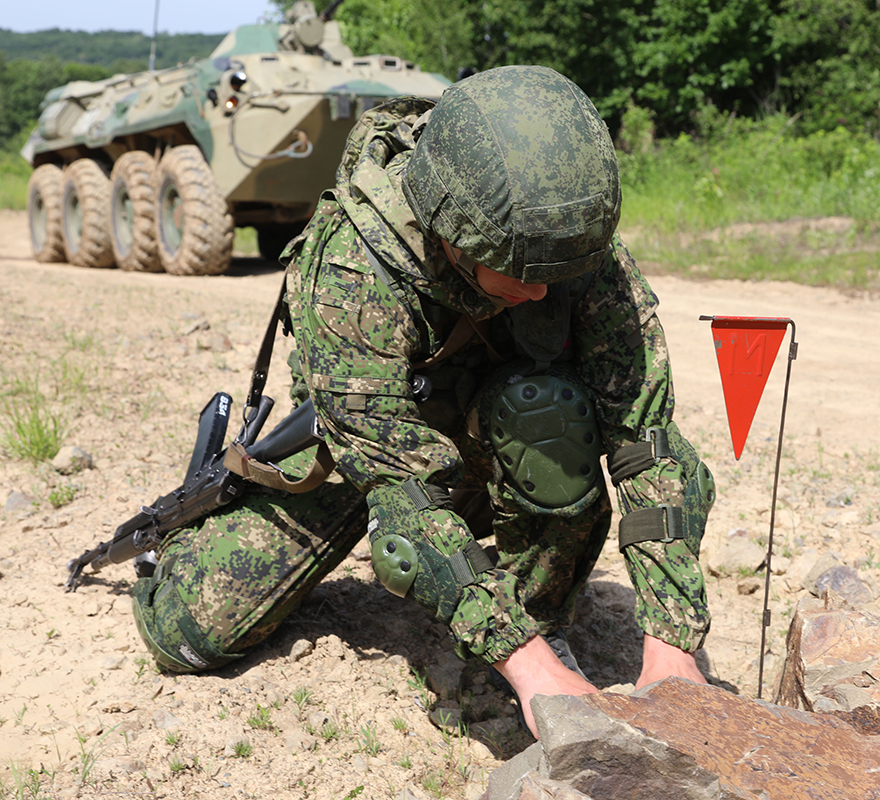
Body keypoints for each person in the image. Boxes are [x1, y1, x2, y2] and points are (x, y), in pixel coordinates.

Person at [129, 65, 716, 738]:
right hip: (372, 447)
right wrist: (530, 670)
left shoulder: (568, 246)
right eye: (526, 275)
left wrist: (673, 643)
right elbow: (401, 491)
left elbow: (646, 444)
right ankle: (520, 655)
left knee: (548, 412)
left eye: (564, 272)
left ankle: (529, 631)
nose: (548, 293)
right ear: (453, 236)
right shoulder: (357, 265)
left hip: (501, 428)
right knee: (189, 633)